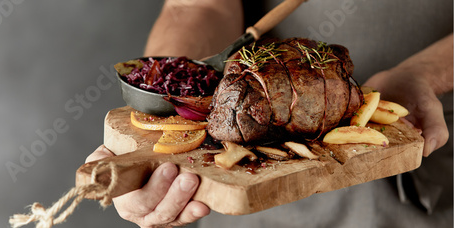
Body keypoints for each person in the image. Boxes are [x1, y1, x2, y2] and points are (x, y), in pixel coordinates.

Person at [86, 0, 453, 227]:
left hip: (417, 171)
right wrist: (170, 97)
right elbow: (198, 6)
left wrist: (425, 73)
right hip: (249, 189)